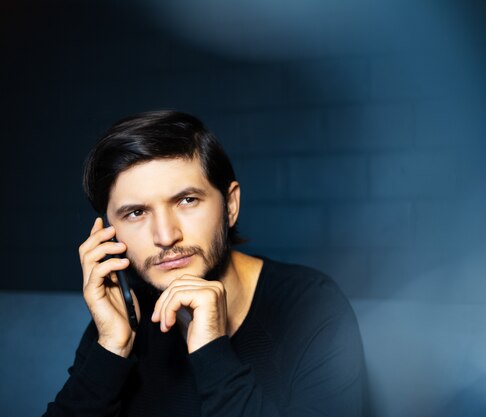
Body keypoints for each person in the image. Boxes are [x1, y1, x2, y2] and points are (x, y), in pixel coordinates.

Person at [43, 110, 369, 417]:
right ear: (109, 233)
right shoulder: (121, 319)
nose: (166, 235)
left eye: (187, 200)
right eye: (136, 213)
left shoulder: (310, 308)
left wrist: (211, 349)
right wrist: (112, 347)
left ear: (230, 206)